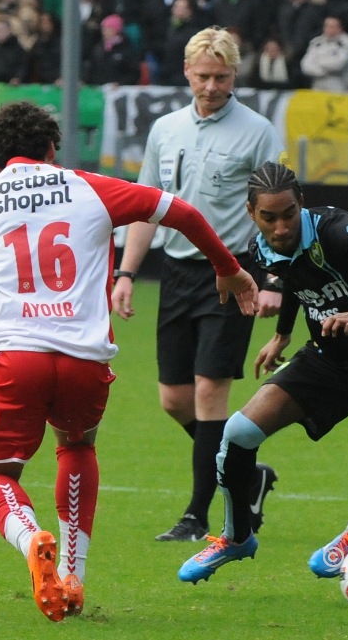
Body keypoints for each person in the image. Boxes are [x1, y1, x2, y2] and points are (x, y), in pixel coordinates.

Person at [0, 100, 259, 622]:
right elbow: (180, 211)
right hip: (84, 360)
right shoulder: (89, 187)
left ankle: (30, 541)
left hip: (15, 357)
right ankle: (74, 575)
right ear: (51, 147)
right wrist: (226, 268)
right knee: (77, 445)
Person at [178, 161, 348, 584]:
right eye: (269, 217)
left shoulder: (336, 229)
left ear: (302, 205)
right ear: (251, 213)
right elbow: (295, 282)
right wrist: (280, 335)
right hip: (327, 359)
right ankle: (236, 536)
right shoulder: (263, 249)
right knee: (238, 433)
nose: (281, 227)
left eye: (289, 214)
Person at [111, 27, 283, 543]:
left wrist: (275, 278)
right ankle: (248, 474)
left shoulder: (258, 132)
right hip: (179, 274)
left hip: (232, 273)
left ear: (235, 76)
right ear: (186, 72)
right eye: (204, 76)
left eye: (222, 77)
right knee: (174, 399)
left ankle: (198, 516)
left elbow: (278, 214)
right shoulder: (165, 129)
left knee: (210, 391)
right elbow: (146, 205)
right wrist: (125, 272)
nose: (212, 86)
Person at [82, 13, 141, 86]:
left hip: (119, 91)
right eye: (103, 29)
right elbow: (91, 69)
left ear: (116, 30)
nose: (104, 32)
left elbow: (133, 73)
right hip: (98, 89)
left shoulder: (126, 49)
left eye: (108, 29)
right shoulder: (98, 48)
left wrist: (120, 83)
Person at [300, 14, 348, 91]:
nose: (328, 29)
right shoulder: (316, 42)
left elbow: (338, 64)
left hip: (339, 84)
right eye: (326, 26)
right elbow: (305, 65)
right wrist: (322, 72)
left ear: (340, 28)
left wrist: (317, 61)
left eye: (332, 27)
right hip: (317, 83)